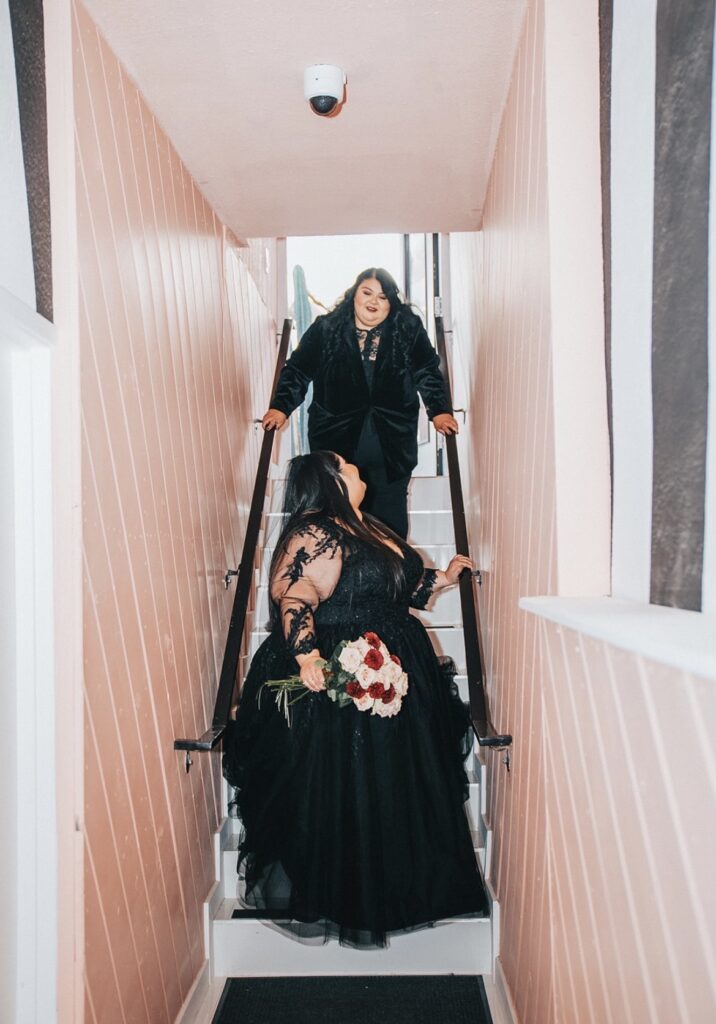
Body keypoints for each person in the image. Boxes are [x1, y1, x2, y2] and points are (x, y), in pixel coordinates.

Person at [222, 451, 489, 948]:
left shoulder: (364, 525)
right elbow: (297, 597)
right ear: (329, 481)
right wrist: (306, 659)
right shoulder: (317, 530)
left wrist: (445, 578)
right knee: (347, 788)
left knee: (394, 784)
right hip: (345, 668)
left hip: (394, 661)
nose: (357, 468)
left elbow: (396, 585)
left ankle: (399, 887)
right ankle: (343, 895)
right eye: (345, 465)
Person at [262, 268, 459, 539]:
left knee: (389, 526)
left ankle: (392, 576)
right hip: (336, 440)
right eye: (367, 292)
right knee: (337, 523)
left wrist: (439, 411)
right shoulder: (326, 328)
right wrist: (281, 407)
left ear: (391, 302)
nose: (373, 301)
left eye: (383, 297)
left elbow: (427, 371)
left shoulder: (407, 329)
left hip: (390, 445)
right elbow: (297, 370)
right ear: (354, 294)